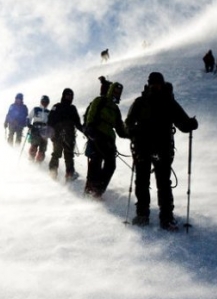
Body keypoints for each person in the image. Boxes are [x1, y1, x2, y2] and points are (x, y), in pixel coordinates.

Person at [125, 72, 198, 230]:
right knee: (144, 181)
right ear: (149, 84)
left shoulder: (167, 102)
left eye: (157, 83)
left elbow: (182, 123)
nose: (155, 86)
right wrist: (133, 131)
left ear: (162, 84)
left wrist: (190, 124)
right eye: (153, 83)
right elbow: (128, 123)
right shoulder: (143, 102)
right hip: (145, 147)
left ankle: (165, 217)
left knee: (162, 182)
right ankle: (144, 214)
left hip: (160, 148)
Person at [83, 82, 129, 197]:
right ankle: (91, 187)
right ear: (111, 90)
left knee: (111, 165)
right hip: (97, 134)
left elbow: (120, 129)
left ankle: (98, 189)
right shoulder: (100, 101)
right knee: (96, 161)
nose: (116, 94)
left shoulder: (116, 109)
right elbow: (91, 114)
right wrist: (89, 128)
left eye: (119, 92)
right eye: (115, 91)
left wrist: (131, 135)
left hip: (109, 139)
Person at [47, 88, 84, 181]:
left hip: (69, 135)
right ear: (63, 95)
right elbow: (50, 121)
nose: (69, 97)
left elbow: (77, 123)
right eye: (68, 95)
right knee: (56, 153)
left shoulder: (72, 108)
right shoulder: (57, 106)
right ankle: (53, 173)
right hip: (58, 134)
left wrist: (86, 131)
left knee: (68, 154)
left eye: (71, 96)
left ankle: (69, 174)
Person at [27, 95, 51, 162]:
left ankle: (38, 163)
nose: (45, 103)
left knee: (42, 149)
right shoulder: (36, 109)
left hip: (45, 131)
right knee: (34, 146)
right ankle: (31, 160)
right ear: (41, 101)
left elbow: (51, 122)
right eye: (43, 101)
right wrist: (29, 124)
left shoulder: (48, 112)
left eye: (46, 102)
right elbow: (29, 117)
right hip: (35, 130)